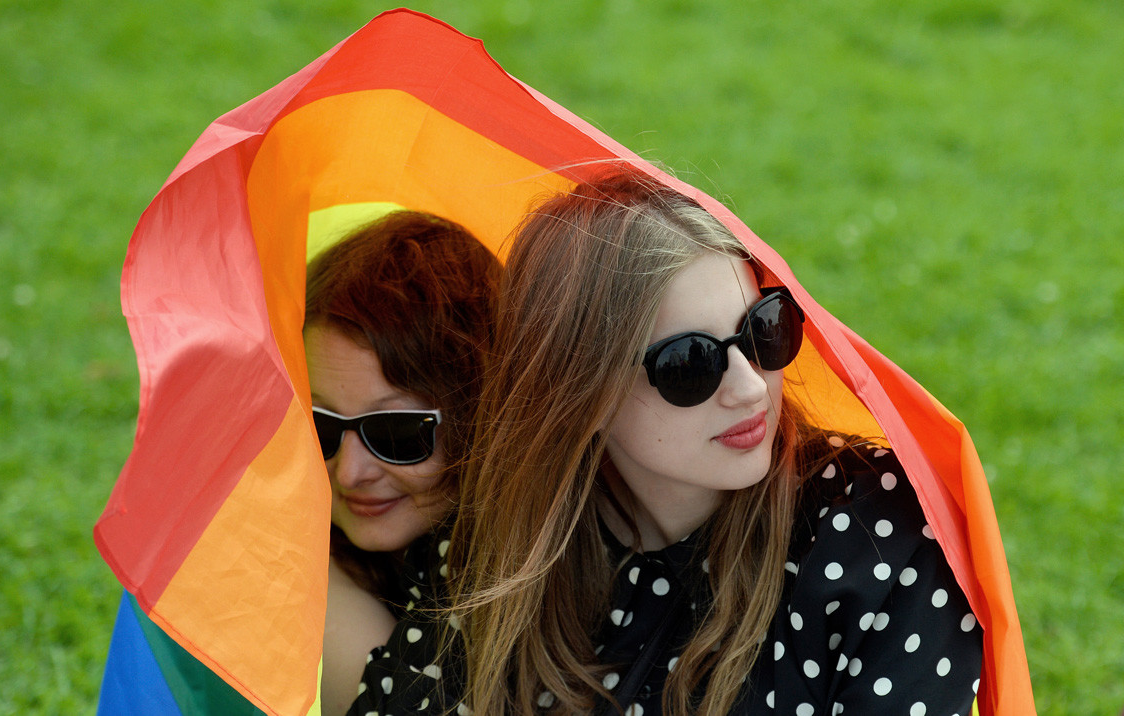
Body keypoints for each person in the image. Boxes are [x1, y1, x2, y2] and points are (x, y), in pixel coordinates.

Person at [348, 171, 984, 716]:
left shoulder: (873, 526)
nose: (748, 387)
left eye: (765, 330)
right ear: (580, 397)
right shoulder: (506, 544)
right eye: (689, 365)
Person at [305, 210, 500, 715]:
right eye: (320, 424)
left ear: (486, 414)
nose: (350, 473)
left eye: (396, 434)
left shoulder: (538, 569)